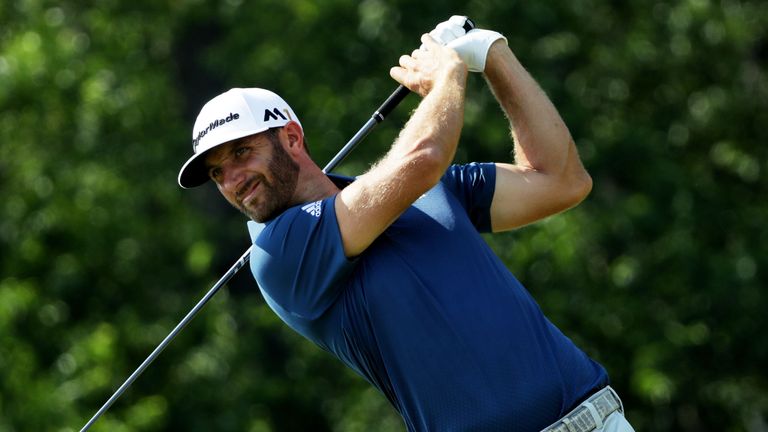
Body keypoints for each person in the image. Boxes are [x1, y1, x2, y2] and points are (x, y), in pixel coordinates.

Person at [177, 16, 634, 432]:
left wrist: (492, 53)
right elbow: (425, 157)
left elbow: (561, 180)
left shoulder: (427, 191)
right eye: (218, 172)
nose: (233, 180)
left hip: (601, 416)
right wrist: (448, 76)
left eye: (241, 153)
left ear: (291, 137)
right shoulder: (278, 252)